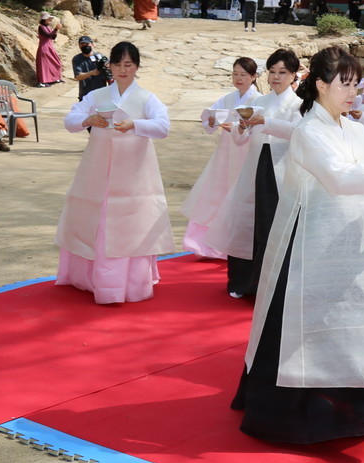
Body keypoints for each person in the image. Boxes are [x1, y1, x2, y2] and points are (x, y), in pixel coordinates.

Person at [232, 46, 364, 444]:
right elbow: (339, 177)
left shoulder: (355, 129)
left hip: (358, 236)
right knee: (309, 328)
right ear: (320, 84)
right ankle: (297, 413)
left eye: (356, 83)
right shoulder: (308, 132)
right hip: (312, 242)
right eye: (345, 83)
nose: (353, 91)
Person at [56, 42, 173, 305]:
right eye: (118, 64)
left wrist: (135, 124)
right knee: (96, 221)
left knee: (130, 225)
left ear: (137, 67)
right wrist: (89, 120)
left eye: (128, 65)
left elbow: (163, 126)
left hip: (134, 175)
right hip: (97, 173)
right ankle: (93, 280)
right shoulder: (98, 96)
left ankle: (128, 284)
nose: (123, 69)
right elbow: (70, 120)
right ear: (110, 66)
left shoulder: (146, 98)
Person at [206, 49, 302, 299]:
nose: (276, 77)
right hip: (254, 165)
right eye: (272, 72)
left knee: (271, 226)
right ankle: (244, 282)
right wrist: (241, 126)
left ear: (293, 75)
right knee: (246, 222)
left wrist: (265, 123)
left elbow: (298, 133)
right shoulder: (259, 102)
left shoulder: (299, 104)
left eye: (282, 72)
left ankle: (272, 287)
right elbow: (240, 139)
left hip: (280, 169)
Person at [182, 58, 262, 259]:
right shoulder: (228, 98)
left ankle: (235, 245)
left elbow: (258, 128)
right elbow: (209, 118)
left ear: (253, 77)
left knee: (238, 194)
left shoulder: (258, 100)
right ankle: (207, 245)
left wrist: (236, 126)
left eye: (243, 74)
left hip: (245, 152)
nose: (238, 78)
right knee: (215, 193)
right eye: (235, 74)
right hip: (225, 152)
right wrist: (211, 119)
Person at [72, 36, 110, 101]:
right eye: (82, 45)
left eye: (87, 44)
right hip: (85, 95)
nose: (84, 46)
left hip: (101, 95)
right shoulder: (77, 59)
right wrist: (92, 73)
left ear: (92, 44)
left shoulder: (101, 57)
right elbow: (78, 76)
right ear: (79, 46)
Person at [35, 12, 62, 87]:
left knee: (56, 62)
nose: (50, 20)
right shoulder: (41, 27)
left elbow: (53, 37)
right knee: (44, 65)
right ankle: (42, 82)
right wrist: (55, 29)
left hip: (49, 46)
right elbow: (48, 35)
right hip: (44, 47)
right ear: (44, 19)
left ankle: (55, 78)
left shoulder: (48, 27)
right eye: (49, 19)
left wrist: (56, 30)